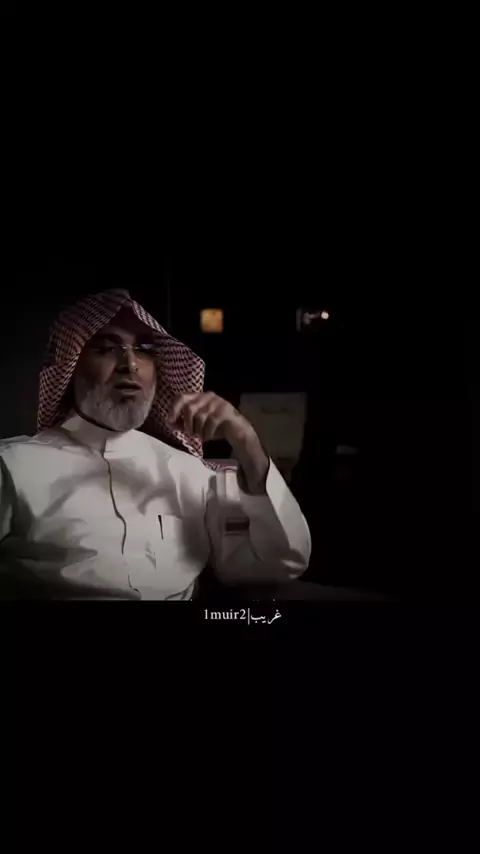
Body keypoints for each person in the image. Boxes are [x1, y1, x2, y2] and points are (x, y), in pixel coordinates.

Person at [0, 288, 311, 599]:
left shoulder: (191, 473)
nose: (130, 364)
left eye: (145, 349)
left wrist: (246, 439)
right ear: (70, 367)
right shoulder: (13, 466)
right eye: (106, 348)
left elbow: (279, 564)